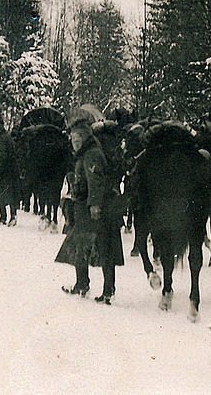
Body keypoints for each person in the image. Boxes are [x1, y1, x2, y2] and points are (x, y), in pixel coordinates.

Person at [54, 120, 124, 304]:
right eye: (72, 139)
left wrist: (94, 205)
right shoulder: (86, 153)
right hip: (87, 206)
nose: (74, 142)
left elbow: (96, 181)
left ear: (85, 138)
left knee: (97, 247)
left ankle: (98, 288)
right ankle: (87, 285)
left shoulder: (91, 154)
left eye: (77, 139)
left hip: (93, 209)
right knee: (87, 246)